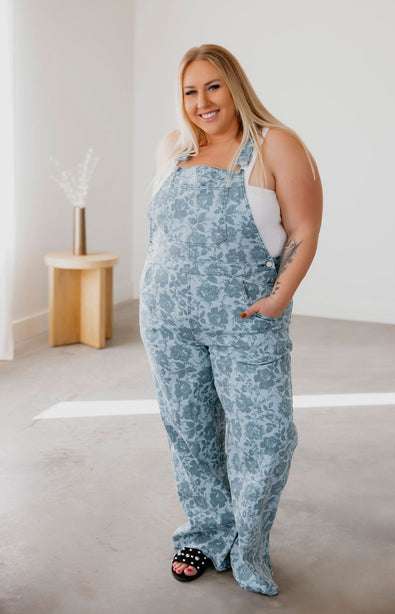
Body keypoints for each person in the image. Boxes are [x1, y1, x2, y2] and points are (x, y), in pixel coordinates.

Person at [139, 43, 323, 596]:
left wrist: (277, 299)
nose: (203, 101)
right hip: (168, 319)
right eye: (190, 91)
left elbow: (304, 229)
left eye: (213, 86)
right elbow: (162, 234)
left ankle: (248, 545)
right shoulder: (173, 148)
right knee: (189, 431)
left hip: (246, 319)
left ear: (235, 86)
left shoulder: (274, 144)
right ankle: (204, 531)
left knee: (266, 436)